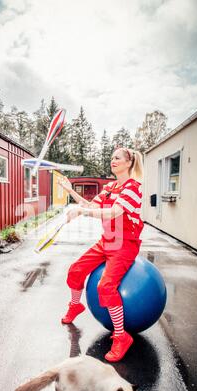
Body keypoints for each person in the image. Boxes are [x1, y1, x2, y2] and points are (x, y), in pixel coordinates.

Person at [58, 147, 144, 362]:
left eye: (117, 158)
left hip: (125, 244)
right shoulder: (109, 187)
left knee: (105, 286)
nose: (112, 161)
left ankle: (121, 336)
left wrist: (83, 212)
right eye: (111, 158)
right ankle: (75, 305)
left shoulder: (133, 188)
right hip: (107, 241)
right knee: (75, 270)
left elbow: (114, 212)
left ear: (128, 163)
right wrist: (71, 191)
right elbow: (90, 205)